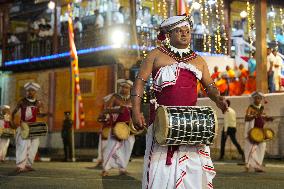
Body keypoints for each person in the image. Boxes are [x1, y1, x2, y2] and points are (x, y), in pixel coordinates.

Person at [131, 15, 227, 189]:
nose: (184, 34)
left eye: (187, 31)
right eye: (179, 31)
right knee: (160, 169)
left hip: (191, 124)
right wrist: (135, 111)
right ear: (169, 34)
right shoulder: (156, 55)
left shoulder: (199, 60)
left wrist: (218, 98)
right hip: (162, 122)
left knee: (193, 169)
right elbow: (139, 81)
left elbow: (210, 86)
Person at [12, 82, 50, 173]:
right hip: (24, 126)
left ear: (35, 92)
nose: (29, 92)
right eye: (28, 91)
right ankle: (20, 166)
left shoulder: (38, 103)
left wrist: (45, 114)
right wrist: (12, 122)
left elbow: (38, 114)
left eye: (32, 91)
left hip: (34, 127)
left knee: (34, 146)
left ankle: (28, 165)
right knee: (23, 145)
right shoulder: (22, 101)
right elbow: (14, 112)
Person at [102, 79, 135, 176]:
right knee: (111, 147)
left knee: (128, 147)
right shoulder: (115, 97)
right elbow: (106, 110)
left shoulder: (132, 99)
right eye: (122, 87)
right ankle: (105, 168)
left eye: (126, 87)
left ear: (130, 89)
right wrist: (117, 110)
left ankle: (122, 168)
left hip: (129, 128)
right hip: (117, 127)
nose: (124, 89)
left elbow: (136, 112)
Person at [244, 92, 273, 172]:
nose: (258, 99)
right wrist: (255, 115)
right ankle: (250, 165)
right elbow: (247, 117)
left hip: (261, 131)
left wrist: (268, 118)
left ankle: (257, 164)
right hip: (253, 131)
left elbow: (263, 117)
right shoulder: (250, 107)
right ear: (253, 99)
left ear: (261, 99)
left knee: (262, 147)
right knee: (251, 149)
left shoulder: (262, 107)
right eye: (256, 98)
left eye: (259, 98)